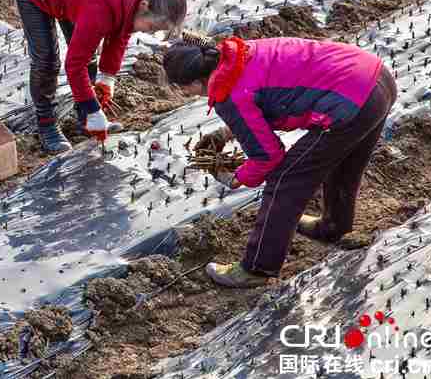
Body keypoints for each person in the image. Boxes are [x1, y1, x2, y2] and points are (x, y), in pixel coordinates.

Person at [163, 36, 396, 288]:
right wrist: (229, 131)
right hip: (376, 79)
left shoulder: (228, 92)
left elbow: (268, 155)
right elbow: (270, 91)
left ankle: (257, 268)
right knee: (344, 164)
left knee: (285, 180)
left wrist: (236, 178)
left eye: (183, 88)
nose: (185, 93)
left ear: (197, 81)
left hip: (350, 102)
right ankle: (333, 226)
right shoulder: (239, 53)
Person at [12, 0, 187, 154]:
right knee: (47, 61)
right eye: (152, 27)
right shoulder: (103, 5)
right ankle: (47, 125)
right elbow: (74, 64)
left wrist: (107, 77)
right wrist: (93, 108)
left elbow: (122, 31)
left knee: (89, 57)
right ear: (144, 6)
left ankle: (84, 119)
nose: (149, 32)